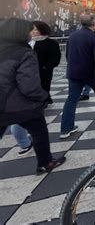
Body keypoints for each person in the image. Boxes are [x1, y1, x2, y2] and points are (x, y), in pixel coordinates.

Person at [0, 18, 66, 173]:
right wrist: (42, 97)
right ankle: (45, 162)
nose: (32, 34)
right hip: (19, 104)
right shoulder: (25, 53)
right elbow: (28, 84)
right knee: (39, 131)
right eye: (30, 31)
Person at [60, 13, 95, 139]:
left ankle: (65, 129)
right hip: (91, 73)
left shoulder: (72, 36)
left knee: (71, 100)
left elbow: (67, 54)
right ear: (93, 24)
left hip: (74, 72)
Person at [30, 21, 62, 104]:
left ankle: (44, 100)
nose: (33, 32)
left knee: (44, 87)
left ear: (42, 30)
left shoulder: (51, 43)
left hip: (43, 71)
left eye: (35, 30)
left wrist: (46, 67)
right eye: (31, 29)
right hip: (29, 71)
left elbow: (55, 58)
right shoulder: (28, 42)